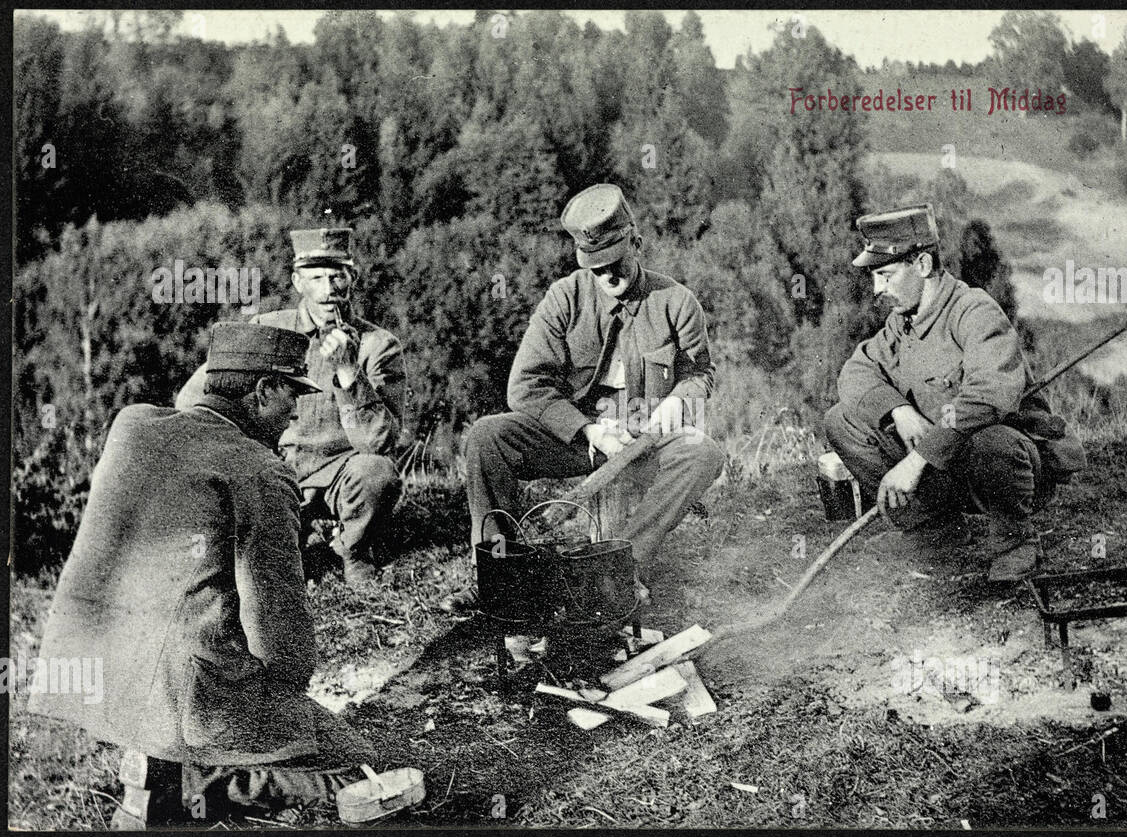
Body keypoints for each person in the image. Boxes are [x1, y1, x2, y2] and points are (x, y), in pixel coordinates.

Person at [28, 323, 377, 829]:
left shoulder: (132, 423)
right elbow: (284, 653)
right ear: (261, 392)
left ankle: (157, 764)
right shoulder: (259, 469)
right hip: (183, 702)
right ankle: (200, 782)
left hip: (92, 681)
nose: (296, 413)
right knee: (352, 760)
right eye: (291, 395)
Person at [453, 183, 725, 608]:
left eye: (616, 263)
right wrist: (589, 431)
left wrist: (680, 400)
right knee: (487, 437)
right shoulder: (565, 299)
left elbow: (701, 374)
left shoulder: (676, 302)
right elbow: (524, 386)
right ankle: (502, 579)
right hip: (577, 440)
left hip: (643, 441)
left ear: (636, 242)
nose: (608, 277)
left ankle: (620, 564)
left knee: (703, 452)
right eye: (596, 269)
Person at [824, 203, 1085, 583]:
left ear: (924, 266)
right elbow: (855, 372)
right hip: (946, 466)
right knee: (841, 420)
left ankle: (1015, 541)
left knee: (991, 440)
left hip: (1006, 467)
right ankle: (933, 529)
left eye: (885, 275)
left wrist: (915, 462)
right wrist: (897, 409)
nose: (877, 289)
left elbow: (987, 398)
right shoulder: (903, 323)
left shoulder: (973, 311)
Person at [177, 228, 407, 585]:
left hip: (341, 475)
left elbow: (379, 445)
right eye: (316, 278)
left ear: (353, 279)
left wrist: (349, 370)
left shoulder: (379, 346)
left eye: (337, 276)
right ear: (298, 282)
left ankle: (353, 549)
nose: (329, 289)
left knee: (376, 474)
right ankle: (284, 544)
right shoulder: (268, 328)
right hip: (276, 470)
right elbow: (196, 395)